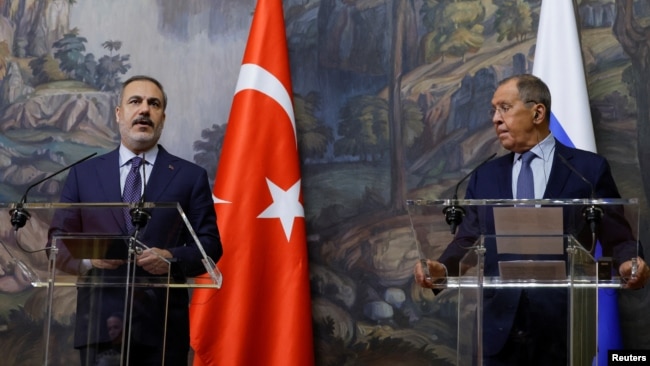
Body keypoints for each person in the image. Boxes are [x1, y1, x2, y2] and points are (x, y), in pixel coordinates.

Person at [413, 74, 649, 365]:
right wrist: (441, 269)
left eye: (504, 108)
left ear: (537, 112)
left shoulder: (587, 169)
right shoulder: (484, 176)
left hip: (565, 326)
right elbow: (467, 239)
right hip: (500, 328)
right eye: (493, 110)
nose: (495, 119)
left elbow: (619, 236)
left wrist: (629, 263)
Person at [47, 75, 223, 365]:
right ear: (119, 113)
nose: (144, 110)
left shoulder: (190, 177)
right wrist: (92, 259)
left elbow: (210, 245)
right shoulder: (84, 174)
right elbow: (57, 242)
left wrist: (170, 258)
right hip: (99, 325)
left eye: (154, 104)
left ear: (162, 117)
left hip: (162, 328)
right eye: (135, 102)